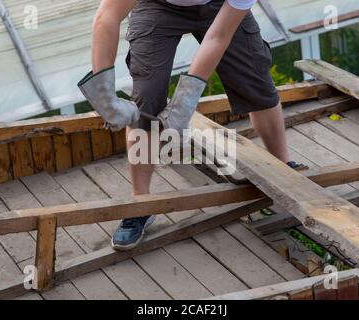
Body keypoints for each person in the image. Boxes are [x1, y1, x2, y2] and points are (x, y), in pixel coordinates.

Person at [78, 0, 303, 251]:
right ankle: (141, 204)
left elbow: (217, 37)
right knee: (146, 101)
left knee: (255, 82)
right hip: (157, 5)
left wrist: (185, 101)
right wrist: (105, 98)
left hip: (220, 6)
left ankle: (284, 169)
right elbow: (106, 17)